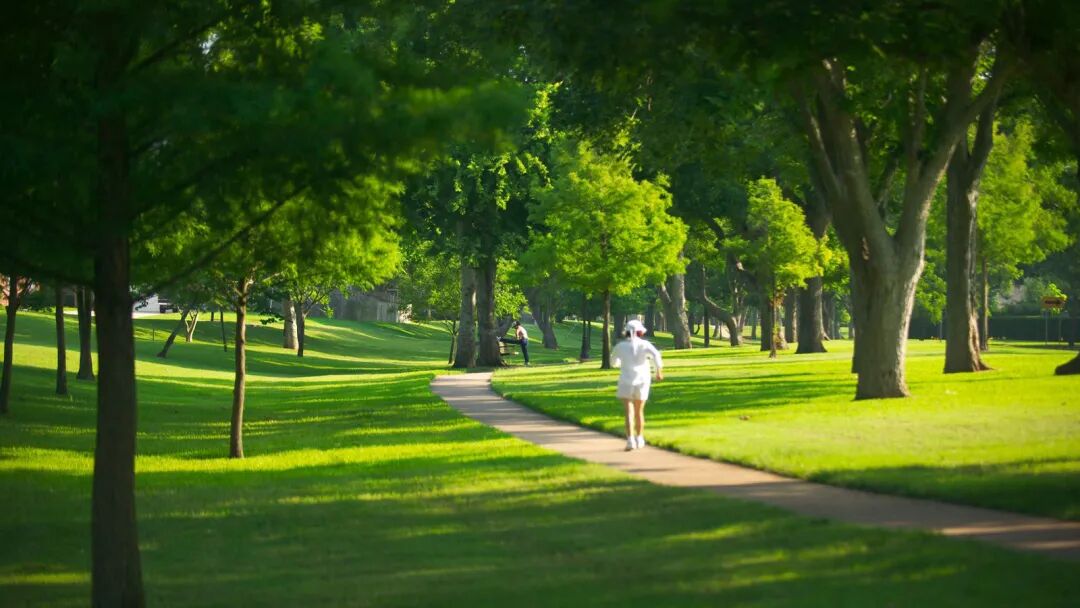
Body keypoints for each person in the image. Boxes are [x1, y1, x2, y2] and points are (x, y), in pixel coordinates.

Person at [611, 319, 663, 451]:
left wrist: (619, 362)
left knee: (628, 412)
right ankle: (639, 438)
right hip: (642, 379)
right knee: (639, 411)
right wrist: (658, 371)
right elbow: (656, 355)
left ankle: (630, 441)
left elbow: (613, 362)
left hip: (626, 380)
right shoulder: (645, 345)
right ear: (640, 332)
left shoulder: (620, 346)